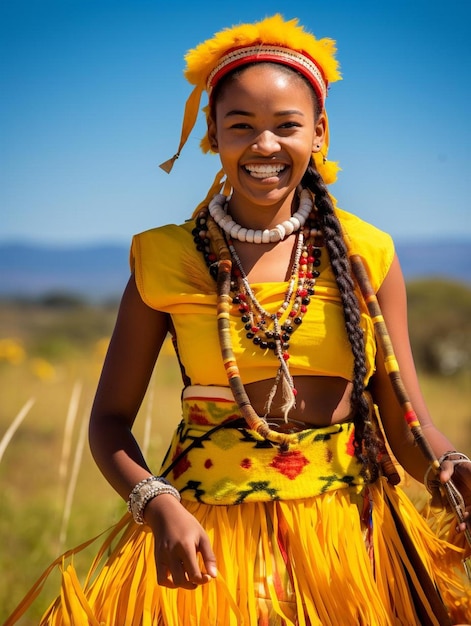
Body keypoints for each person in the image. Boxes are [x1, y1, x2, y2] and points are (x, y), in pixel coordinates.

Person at [6, 13, 471, 626]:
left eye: (287, 126)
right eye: (242, 125)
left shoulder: (366, 254)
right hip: (205, 543)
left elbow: (410, 423)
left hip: (349, 544)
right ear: (212, 133)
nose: (265, 145)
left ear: (320, 131)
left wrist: (450, 471)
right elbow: (109, 422)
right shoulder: (166, 258)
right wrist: (157, 505)